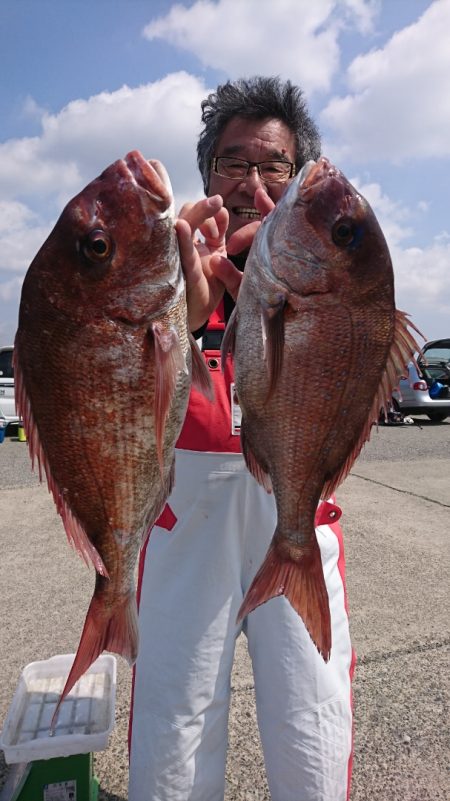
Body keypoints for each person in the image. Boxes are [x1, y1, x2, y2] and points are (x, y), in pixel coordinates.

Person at [129, 76, 355, 801]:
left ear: (296, 181)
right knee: (174, 732)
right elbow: (112, 403)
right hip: (184, 517)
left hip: (293, 505)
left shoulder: (329, 268)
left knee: (313, 725)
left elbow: (356, 374)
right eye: (233, 163)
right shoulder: (156, 264)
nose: (251, 181)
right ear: (207, 176)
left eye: (273, 166)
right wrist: (183, 321)